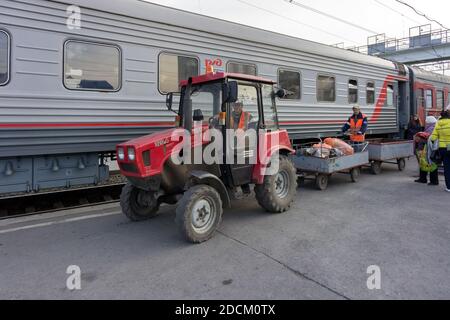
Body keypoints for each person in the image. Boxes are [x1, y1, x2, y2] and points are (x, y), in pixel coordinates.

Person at [414, 116, 438, 185]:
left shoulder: (432, 129)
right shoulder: (429, 128)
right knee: (423, 163)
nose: (425, 123)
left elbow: (430, 138)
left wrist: (420, 138)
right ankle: (422, 178)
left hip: (430, 149)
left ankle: (434, 181)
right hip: (425, 149)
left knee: (432, 164)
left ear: (429, 122)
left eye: (426, 122)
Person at [431, 104, 450, 192]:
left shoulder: (438, 123)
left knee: (447, 167)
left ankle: (448, 187)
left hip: (443, 148)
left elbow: (433, 137)